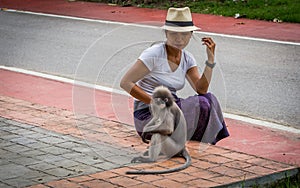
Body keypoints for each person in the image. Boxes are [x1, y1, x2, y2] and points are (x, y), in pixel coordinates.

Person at [120, 7, 229, 144]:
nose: (179, 39)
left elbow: (201, 89)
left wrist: (210, 60)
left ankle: (187, 135)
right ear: (166, 33)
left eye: (184, 35)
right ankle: (166, 133)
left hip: (171, 109)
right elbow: (125, 83)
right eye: (174, 34)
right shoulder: (154, 54)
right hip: (148, 114)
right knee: (200, 104)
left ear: (191, 34)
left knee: (208, 99)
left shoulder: (188, 59)